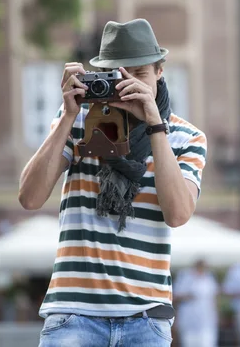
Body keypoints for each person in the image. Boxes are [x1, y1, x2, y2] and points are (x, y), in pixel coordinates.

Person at [18, 18, 208, 347]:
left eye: (140, 74)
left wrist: (154, 124)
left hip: (146, 318)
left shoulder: (187, 137)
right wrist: (66, 115)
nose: (128, 84)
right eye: (120, 74)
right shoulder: (78, 121)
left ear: (160, 71)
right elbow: (30, 197)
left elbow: (178, 214)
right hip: (73, 314)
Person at [173, 259, 220, 347]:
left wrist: (216, 315)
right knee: (189, 343)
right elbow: (176, 296)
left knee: (207, 342)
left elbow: (214, 297)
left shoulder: (209, 278)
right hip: (189, 319)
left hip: (206, 319)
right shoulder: (185, 277)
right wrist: (189, 296)